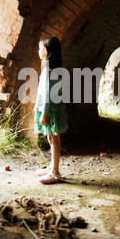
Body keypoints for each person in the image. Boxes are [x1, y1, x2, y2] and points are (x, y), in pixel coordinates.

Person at [34, 36, 68, 184]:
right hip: (51, 106)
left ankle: (55, 172)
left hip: (50, 108)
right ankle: (51, 167)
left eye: (40, 48)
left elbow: (47, 93)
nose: (38, 50)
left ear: (46, 50)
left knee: (53, 139)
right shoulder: (52, 68)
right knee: (51, 137)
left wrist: (44, 112)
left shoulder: (49, 69)